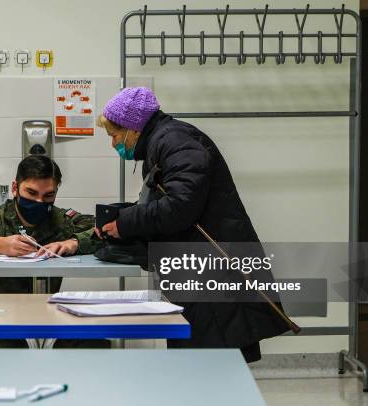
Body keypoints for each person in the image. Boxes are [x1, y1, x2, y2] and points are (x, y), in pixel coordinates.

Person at [95, 87, 290, 362]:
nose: (114, 143)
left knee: (210, 369)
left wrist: (126, 223)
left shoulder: (176, 141)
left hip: (213, 279)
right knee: (200, 369)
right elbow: (170, 203)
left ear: (133, 129)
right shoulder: (165, 142)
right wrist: (120, 219)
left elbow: (179, 208)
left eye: (114, 135)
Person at [0, 155, 105, 348]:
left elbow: (107, 230)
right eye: (31, 193)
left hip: (45, 324)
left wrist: (74, 243)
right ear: (15, 188)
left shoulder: (60, 220)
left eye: (48, 195)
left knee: (95, 344)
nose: (39, 201)